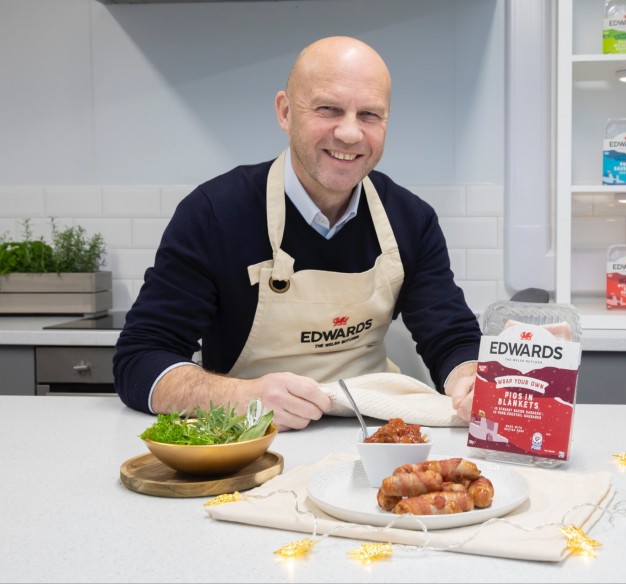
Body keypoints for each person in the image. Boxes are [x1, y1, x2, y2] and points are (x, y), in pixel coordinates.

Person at [113, 36, 481, 430]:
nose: (350, 133)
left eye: (370, 115)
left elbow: (451, 337)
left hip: (373, 437)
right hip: (252, 440)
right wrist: (239, 397)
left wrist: (469, 378)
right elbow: (140, 358)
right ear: (285, 112)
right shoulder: (213, 215)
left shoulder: (410, 219)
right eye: (328, 109)